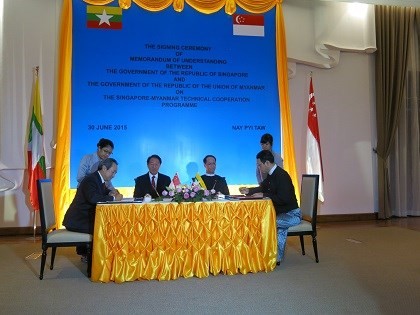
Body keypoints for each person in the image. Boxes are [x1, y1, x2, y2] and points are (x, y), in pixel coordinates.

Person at [240, 150, 300, 266]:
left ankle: (272, 256)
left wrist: (265, 195)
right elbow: (263, 187)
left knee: (270, 222)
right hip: (281, 213)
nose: (258, 167)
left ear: (267, 163)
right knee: (260, 220)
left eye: (259, 164)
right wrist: (249, 191)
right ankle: (270, 255)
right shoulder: (272, 174)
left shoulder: (282, 175)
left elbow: (284, 199)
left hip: (292, 214)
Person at [63, 158, 123, 261]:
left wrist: (110, 192)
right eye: (113, 172)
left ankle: (104, 259)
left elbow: (100, 192)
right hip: (78, 220)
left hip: (84, 217)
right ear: (104, 168)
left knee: (111, 225)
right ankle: (97, 261)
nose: (114, 175)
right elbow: (93, 198)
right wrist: (113, 198)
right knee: (107, 229)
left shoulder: (97, 179)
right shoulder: (91, 179)